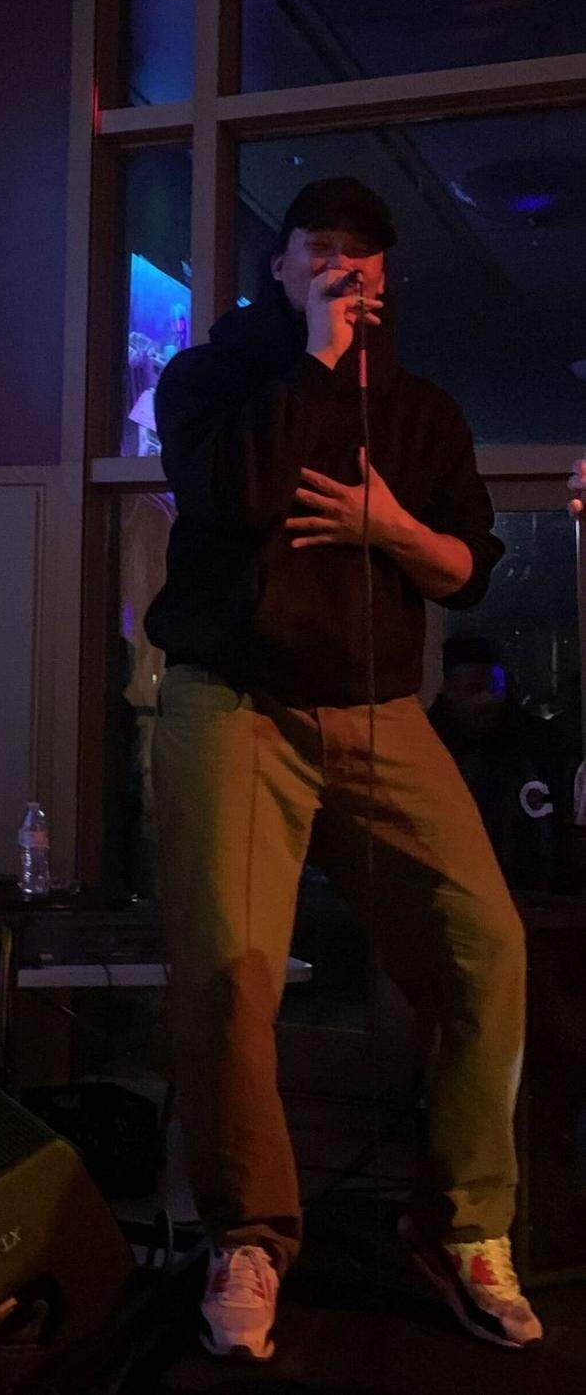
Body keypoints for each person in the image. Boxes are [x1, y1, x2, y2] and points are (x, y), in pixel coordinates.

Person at [145, 177, 541, 1359]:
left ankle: (467, 1224)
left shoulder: (420, 411)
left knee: (487, 949)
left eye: (362, 259)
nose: (343, 272)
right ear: (280, 270)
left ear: (388, 278)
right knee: (230, 975)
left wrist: (389, 529)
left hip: (375, 709)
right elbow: (229, 491)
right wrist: (316, 364)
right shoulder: (214, 379)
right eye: (320, 253)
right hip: (232, 700)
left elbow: (466, 567)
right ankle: (250, 1235)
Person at [429, 634, 585, 896]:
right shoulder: (428, 753)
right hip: (453, 906)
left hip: (544, 908)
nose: (488, 700)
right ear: (447, 689)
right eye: (474, 689)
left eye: (495, 687)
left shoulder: (546, 746)